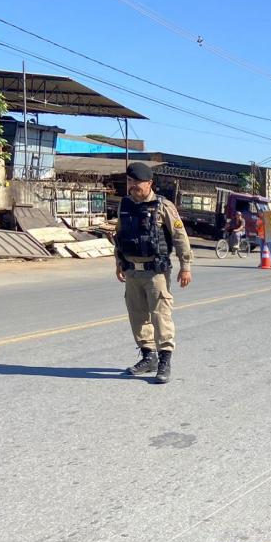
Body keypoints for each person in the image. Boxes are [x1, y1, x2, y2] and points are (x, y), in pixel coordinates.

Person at [115, 162, 192, 384]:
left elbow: (179, 236)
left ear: (149, 183)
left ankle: (164, 360)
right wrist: (118, 262)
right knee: (137, 315)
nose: (132, 187)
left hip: (155, 272)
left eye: (137, 182)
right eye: (130, 182)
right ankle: (148, 357)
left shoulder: (163, 206)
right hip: (132, 271)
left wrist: (185, 266)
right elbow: (120, 235)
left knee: (160, 316)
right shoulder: (125, 204)